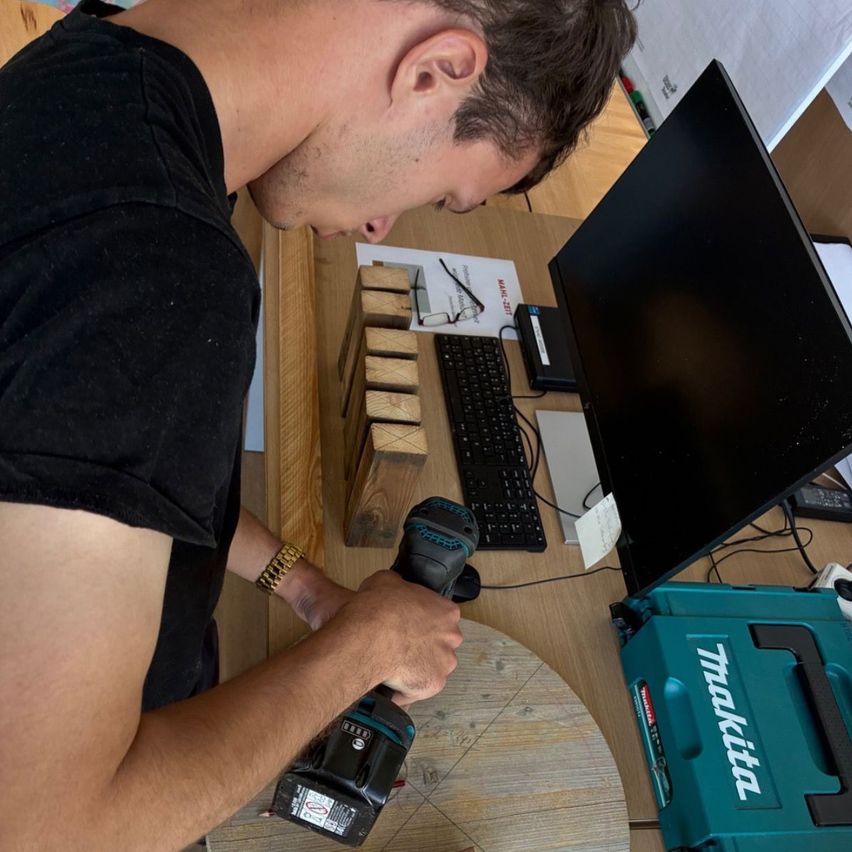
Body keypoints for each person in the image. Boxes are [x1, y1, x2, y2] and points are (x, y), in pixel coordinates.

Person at [0, 0, 636, 847]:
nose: (379, 226)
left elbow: (111, 475)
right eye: (445, 192)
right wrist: (364, 649)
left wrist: (301, 586)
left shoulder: (103, 63)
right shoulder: (152, 271)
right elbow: (50, 831)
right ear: (436, 70)